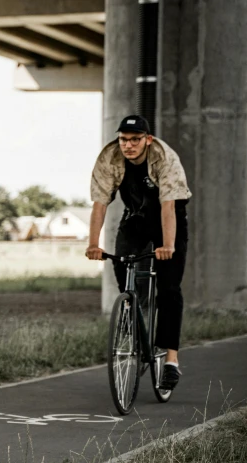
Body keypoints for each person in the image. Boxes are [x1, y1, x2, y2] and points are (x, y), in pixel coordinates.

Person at [85, 115, 191, 391]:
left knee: (169, 289)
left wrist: (168, 245)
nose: (128, 145)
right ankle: (132, 313)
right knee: (122, 263)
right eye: (124, 139)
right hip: (136, 218)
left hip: (169, 218)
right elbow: (99, 204)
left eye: (135, 139)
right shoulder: (109, 158)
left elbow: (168, 206)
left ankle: (170, 361)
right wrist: (93, 244)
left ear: (147, 139)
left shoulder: (163, 158)